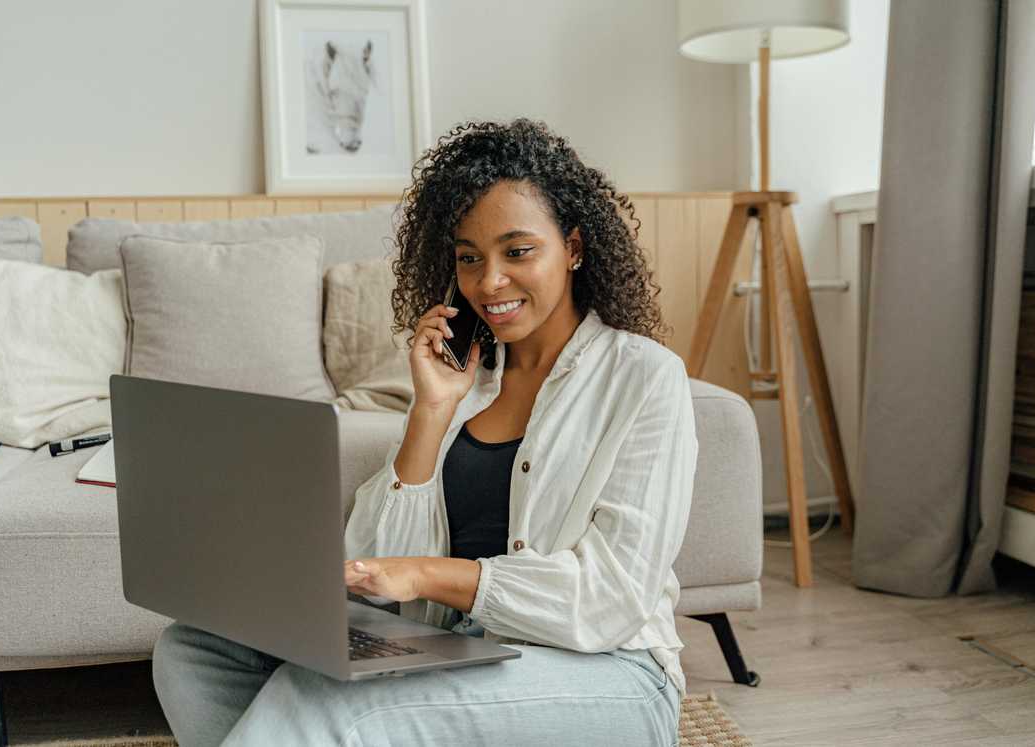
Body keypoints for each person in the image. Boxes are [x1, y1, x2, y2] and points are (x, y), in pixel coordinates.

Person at [152, 118, 699, 746]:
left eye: (518, 252)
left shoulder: (645, 378)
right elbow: (375, 557)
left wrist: (427, 574)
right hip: (464, 649)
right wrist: (432, 411)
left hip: (611, 674)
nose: (489, 282)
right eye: (470, 258)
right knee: (193, 651)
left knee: (329, 702)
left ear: (573, 247)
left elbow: (612, 598)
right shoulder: (467, 381)